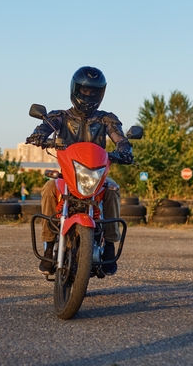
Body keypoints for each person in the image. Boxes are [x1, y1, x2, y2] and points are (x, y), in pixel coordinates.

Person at [25, 67, 133, 276]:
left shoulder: (106, 120)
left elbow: (119, 137)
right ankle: (48, 245)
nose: (88, 96)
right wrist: (38, 135)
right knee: (49, 188)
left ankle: (110, 245)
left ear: (101, 93)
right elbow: (45, 127)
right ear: (75, 90)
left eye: (93, 92)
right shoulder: (60, 116)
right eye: (85, 91)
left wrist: (125, 150)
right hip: (68, 175)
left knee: (112, 189)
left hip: (96, 176)